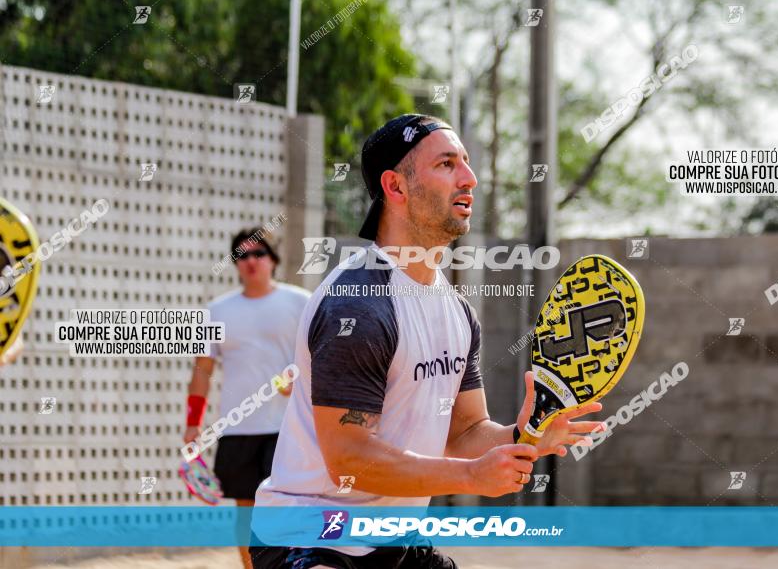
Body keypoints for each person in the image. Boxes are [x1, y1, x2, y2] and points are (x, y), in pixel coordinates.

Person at [251, 115, 605, 569]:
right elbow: (349, 460)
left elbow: (463, 433)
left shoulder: (457, 311)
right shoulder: (358, 307)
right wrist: (472, 476)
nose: (470, 179)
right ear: (396, 187)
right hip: (311, 534)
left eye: (466, 163)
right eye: (446, 164)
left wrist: (525, 437)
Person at [184, 228, 310, 569]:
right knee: (246, 510)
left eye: (258, 254)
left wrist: (297, 378)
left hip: (288, 427)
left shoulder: (301, 301)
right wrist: (193, 425)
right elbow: (202, 370)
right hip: (237, 427)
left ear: (273, 259)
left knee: (287, 507)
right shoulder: (217, 310)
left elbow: (322, 356)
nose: (251, 261)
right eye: (242, 255)